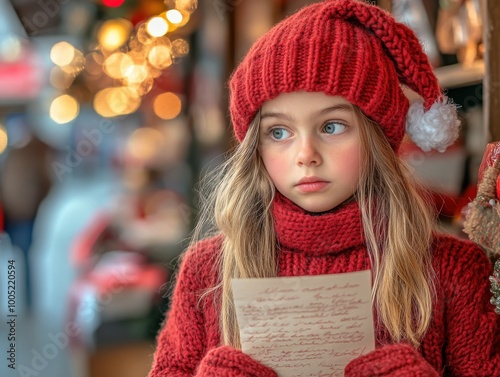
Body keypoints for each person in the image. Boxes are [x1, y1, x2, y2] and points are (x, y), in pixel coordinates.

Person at [148, 0, 500, 375]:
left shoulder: (453, 270)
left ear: (379, 135)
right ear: (255, 147)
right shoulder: (208, 273)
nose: (306, 155)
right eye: (279, 132)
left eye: (332, 126)